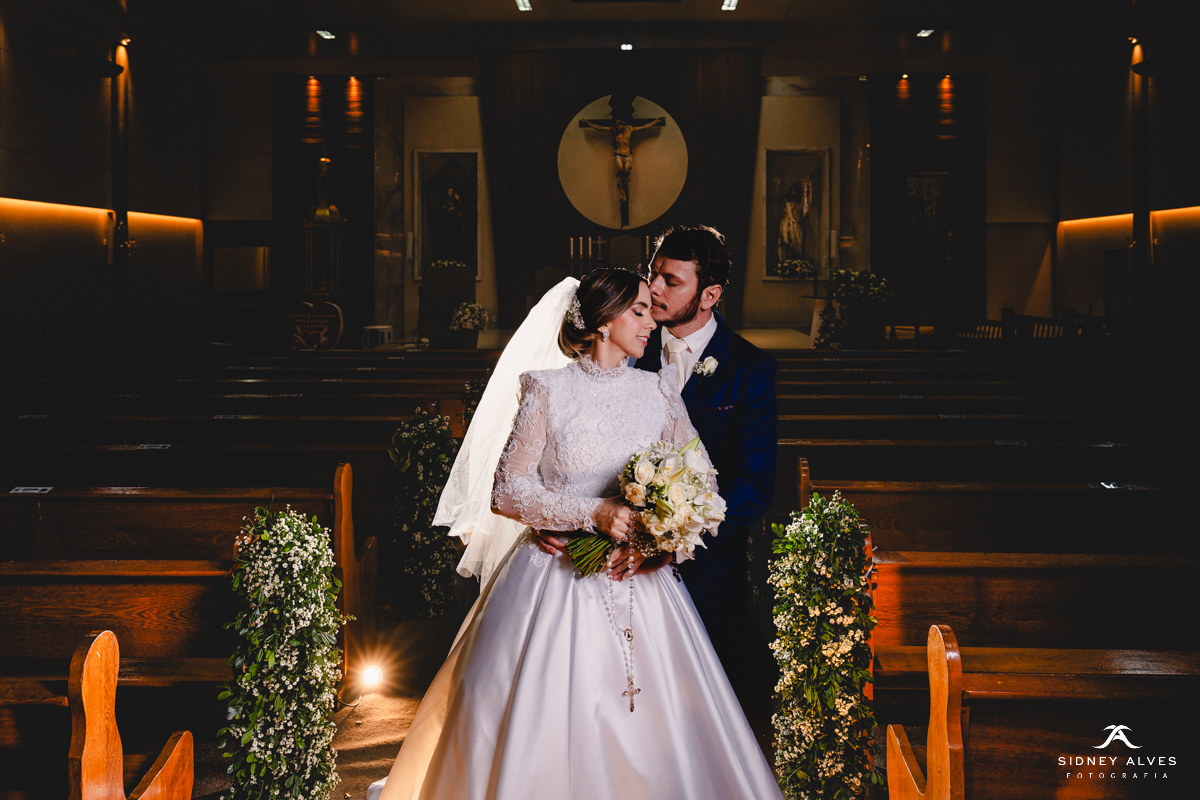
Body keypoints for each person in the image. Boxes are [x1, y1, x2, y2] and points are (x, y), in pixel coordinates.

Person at [368, 268, 783, 800]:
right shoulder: (548, 389)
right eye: (638, 311)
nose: (650, 322)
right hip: (551, 576)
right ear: (604, 321)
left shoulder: (658, 391)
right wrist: (592, 514)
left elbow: (703, 484)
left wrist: (658, 544)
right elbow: (507, 490)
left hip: (639, 579)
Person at [538, 226, 778, 684]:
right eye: (654, 274)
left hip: (705, 569)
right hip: (603, 564)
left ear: (710, 295)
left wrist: (670, 541)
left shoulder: (750, 370)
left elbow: (754, 483)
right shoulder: (625, 344)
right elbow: (564, 441)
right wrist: (550, 514)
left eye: (672, 281)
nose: (654, 289)